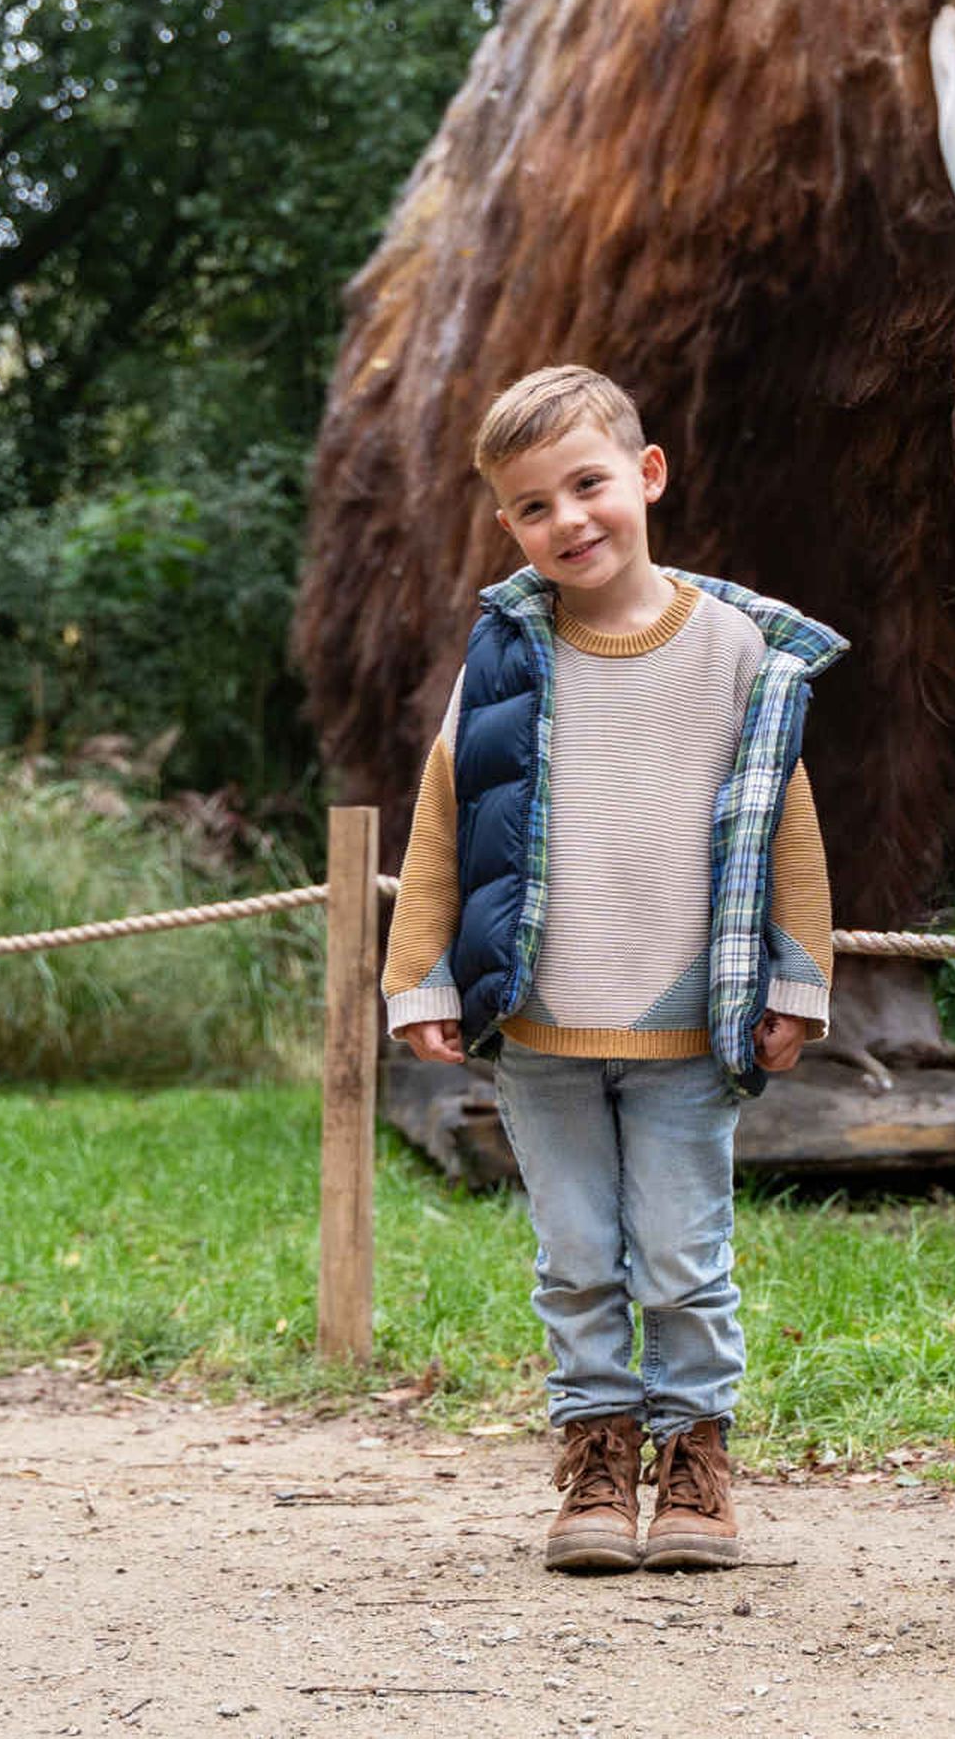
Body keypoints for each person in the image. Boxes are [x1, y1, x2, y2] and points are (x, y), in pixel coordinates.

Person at [375, 363, 843, 1573]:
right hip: (538, 1020)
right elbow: (448, 810)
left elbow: (783, 819)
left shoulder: (736, 649)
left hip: (685, 1019)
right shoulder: (508, 658)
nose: (568, 521)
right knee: (576, 1253)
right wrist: (422, 976)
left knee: (684, 1256)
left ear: (646, 475)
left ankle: (694, 1465)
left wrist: (795, 981)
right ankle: (593, 1457)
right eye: (534, 506)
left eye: (588, 485)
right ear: (508, 524)